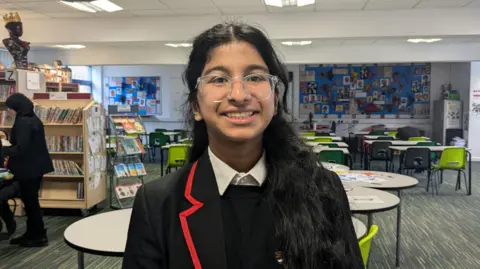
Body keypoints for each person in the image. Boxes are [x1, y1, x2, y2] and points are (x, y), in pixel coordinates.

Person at [123, 23, 363, 269]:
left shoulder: (324, 190)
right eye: (219, 79)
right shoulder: (157, 203)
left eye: (255, 77)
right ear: (196, 105)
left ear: (275, 99)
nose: (239, 95)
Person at [4, 93, 53, 247]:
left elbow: (21, 148)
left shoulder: (24, 122)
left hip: (29, 168)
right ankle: (33, 233)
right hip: (34, 167)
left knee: (31, 203)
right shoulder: (32, 118)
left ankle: (37, 236)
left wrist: (5, 149)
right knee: (31, 202)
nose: (9, 112)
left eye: (10, 108)